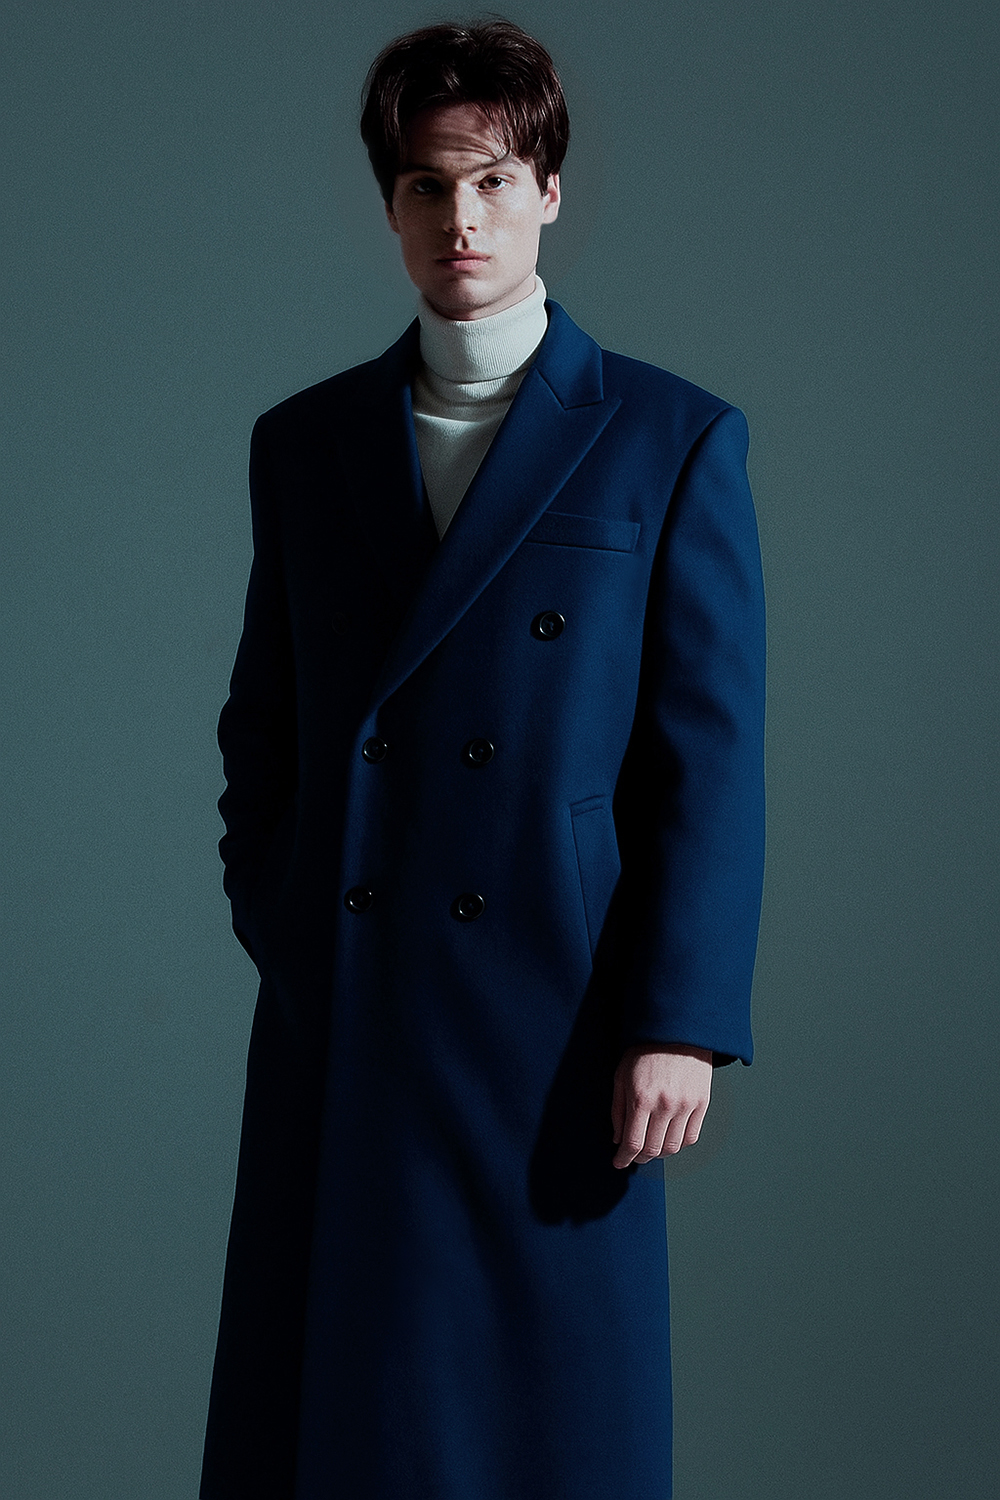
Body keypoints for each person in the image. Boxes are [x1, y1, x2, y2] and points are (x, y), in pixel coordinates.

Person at [200, 18, 765, 1500]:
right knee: (344, 1415)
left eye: (496, 180)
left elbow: (706, 762)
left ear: (550, 193)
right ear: (391, 206)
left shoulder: (668, 438)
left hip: (558, 1017)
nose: (462, 218)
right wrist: (288, 917)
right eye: (427, 186)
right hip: (354, 1003)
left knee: (545, 1427)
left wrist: (682, 1019)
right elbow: (264, 725)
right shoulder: (304, 442)